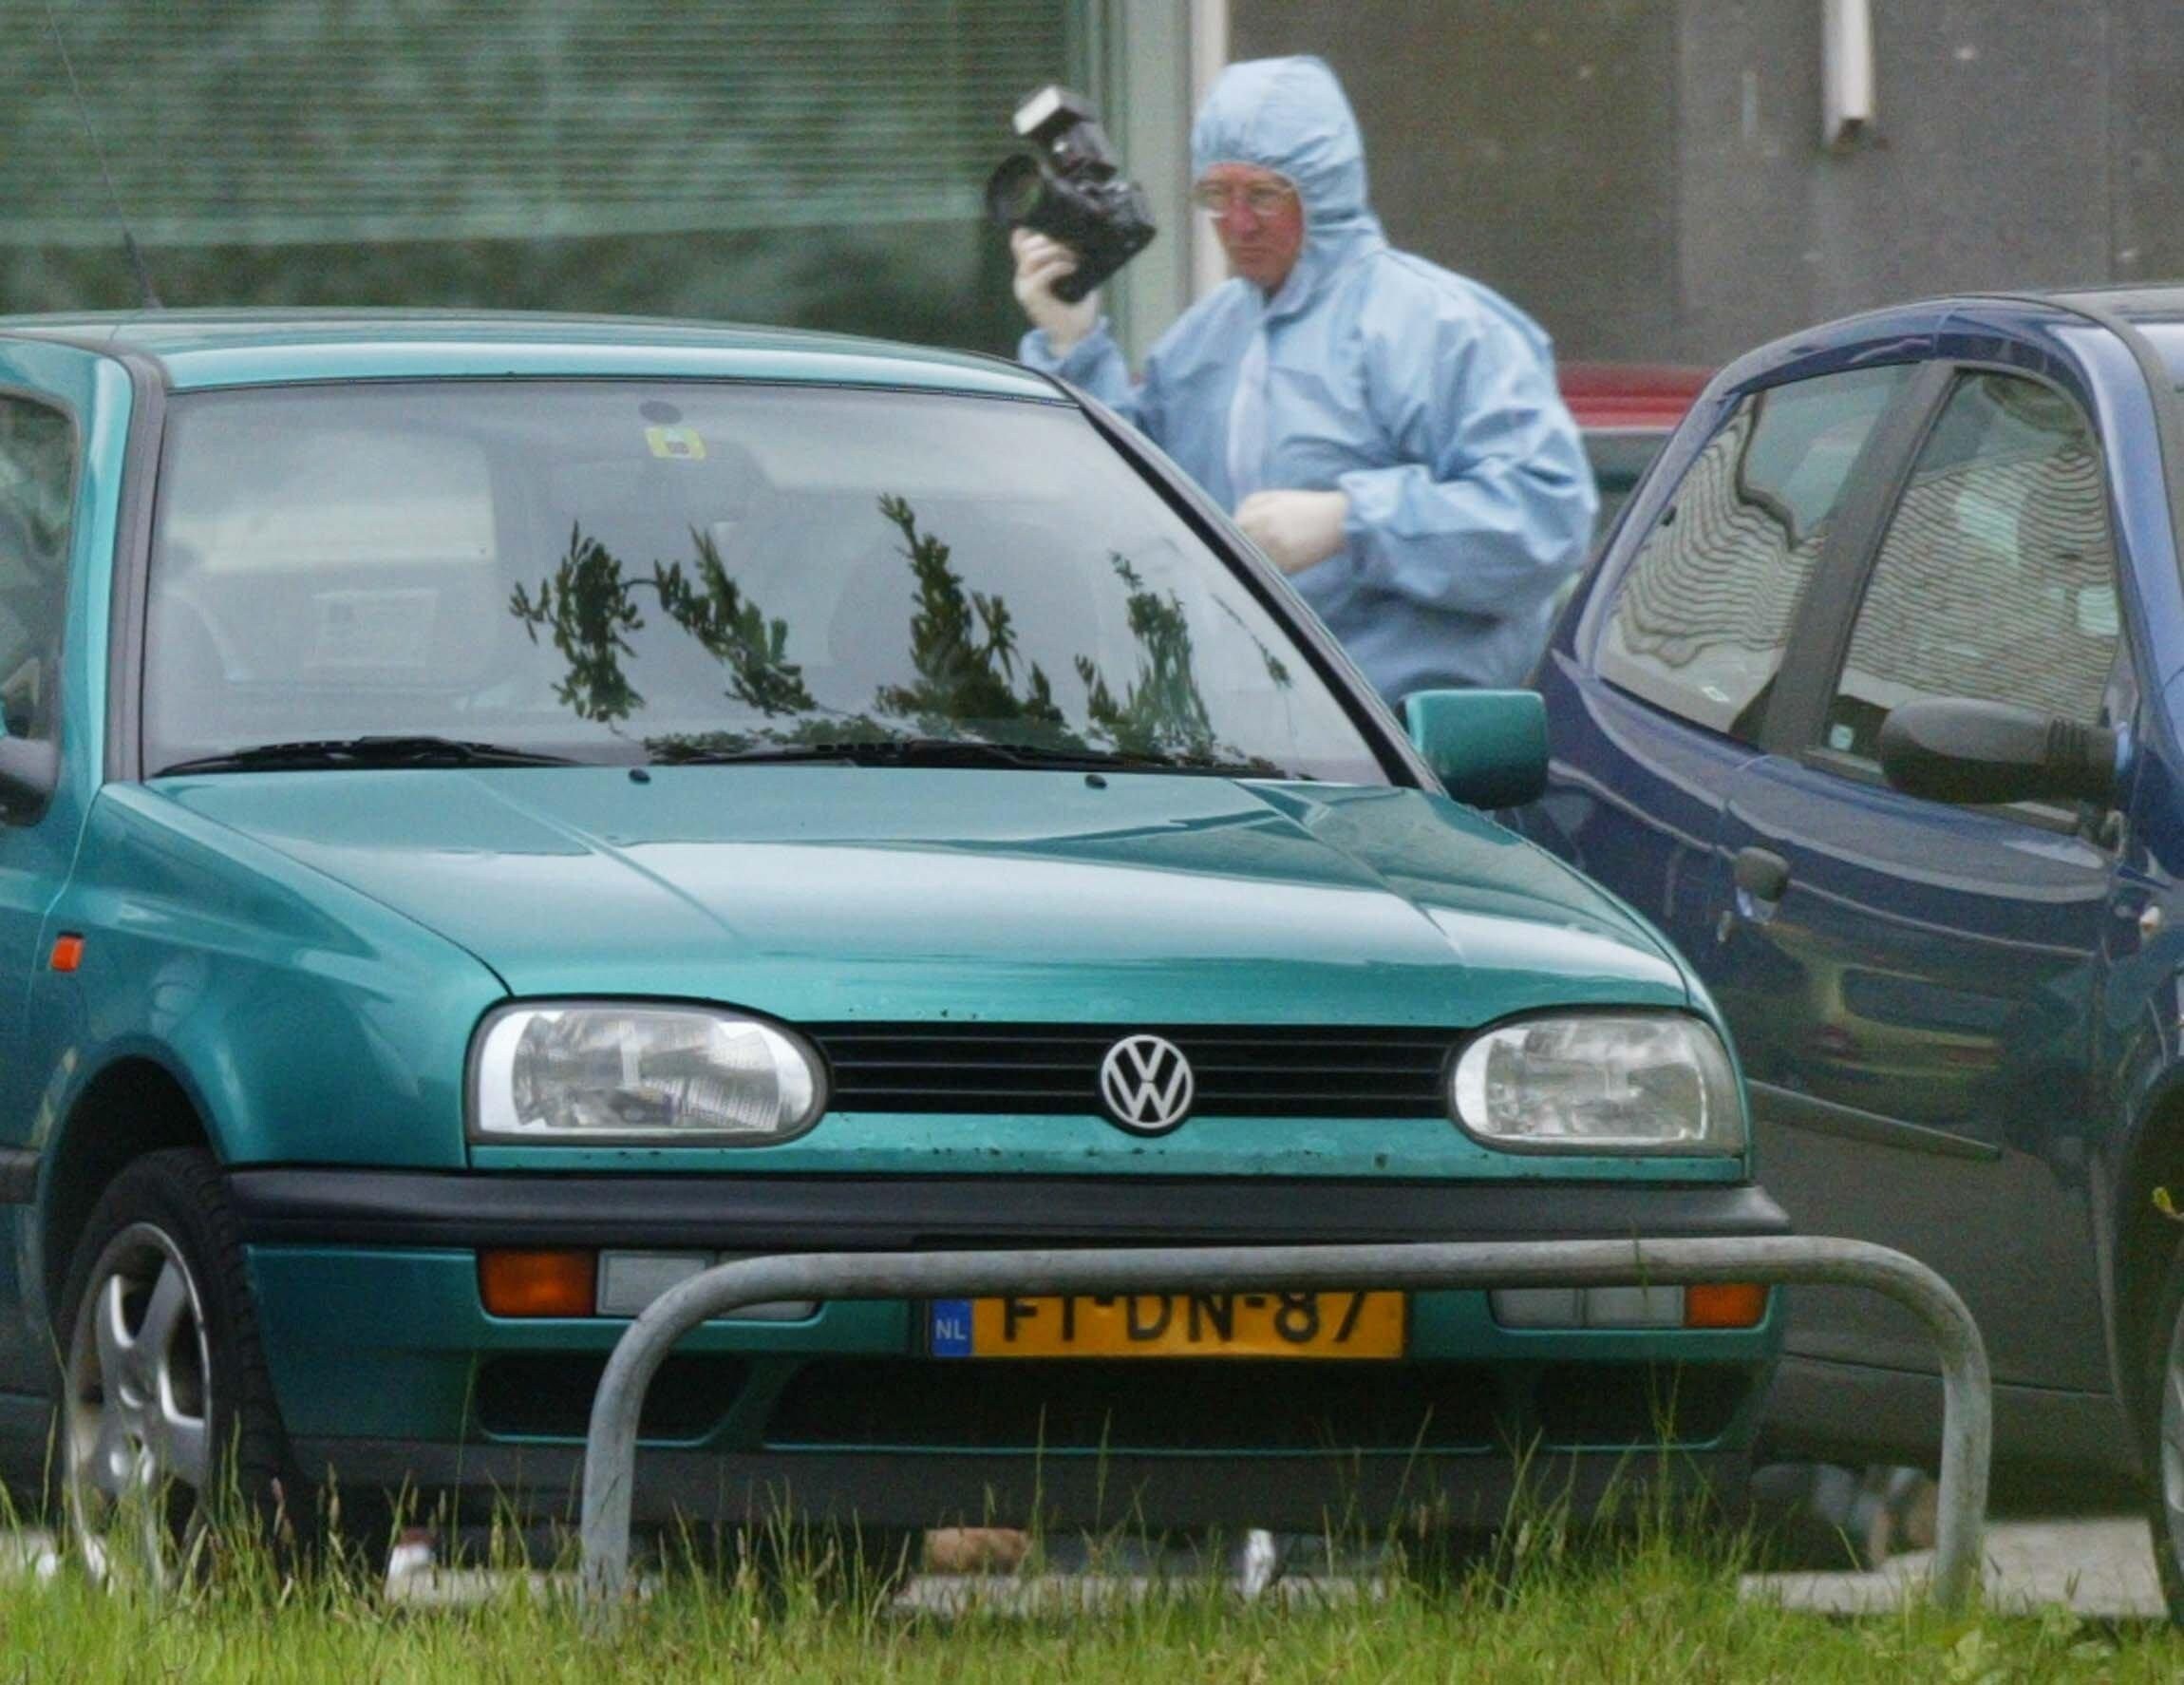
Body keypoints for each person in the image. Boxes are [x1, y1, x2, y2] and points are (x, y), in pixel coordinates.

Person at [1011, 55, 1595, 705]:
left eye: (1263, 194)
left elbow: (1547, 522)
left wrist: (1354, 521)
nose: (1238, 224)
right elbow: (1130, 488)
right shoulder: (1208, 338)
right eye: (1216, 195)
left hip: (1410, 749)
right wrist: (1074, 342)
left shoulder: (1438, 327)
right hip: (1240, 736)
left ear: (1325, 191)